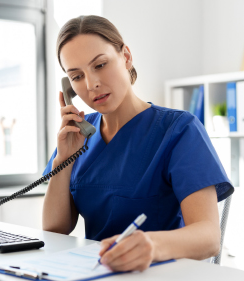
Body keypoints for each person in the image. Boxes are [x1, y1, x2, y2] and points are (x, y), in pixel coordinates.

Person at [42, 15, 234, 272]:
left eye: (100, 65)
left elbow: (209, 238)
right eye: (76, 76)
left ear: (126, 57)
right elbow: (55, 229)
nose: (91, 84)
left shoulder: (179, 131)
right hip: (93, 273)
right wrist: (63, 160)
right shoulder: (79, 137)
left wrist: (151, 245)